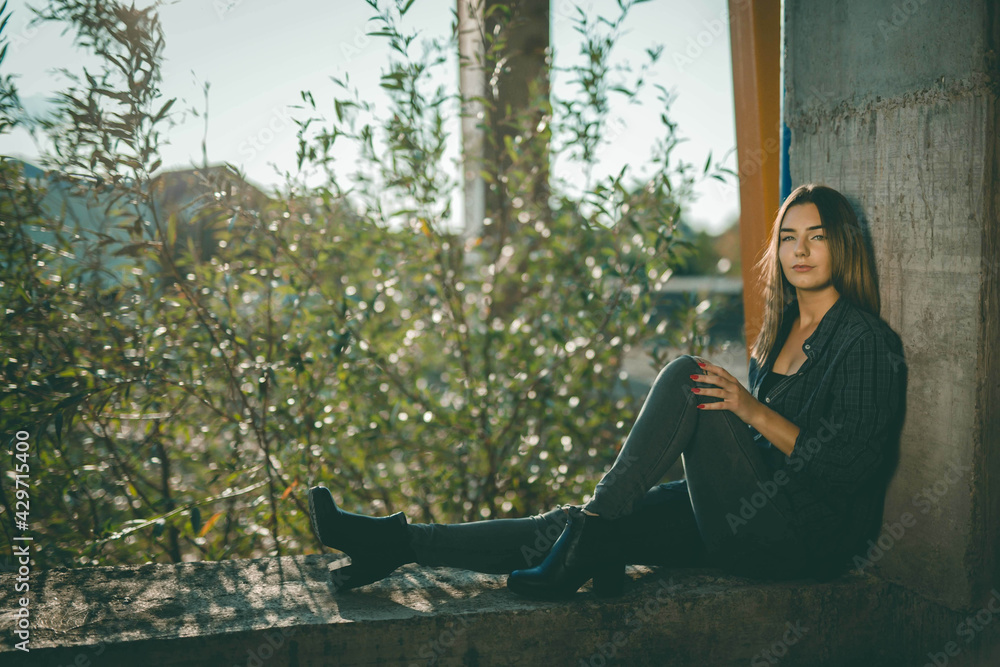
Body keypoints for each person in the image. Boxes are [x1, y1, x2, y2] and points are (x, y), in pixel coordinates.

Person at [308, 183, 908, 600]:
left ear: (842, 244)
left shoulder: (865, 342)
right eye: (788, 237)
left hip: (801, 542)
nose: (799, 251)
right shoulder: (781, 329)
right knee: (572, 527)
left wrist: (748, 409)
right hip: (753, 507)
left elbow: (847, 468)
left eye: (817, 237)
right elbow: (757, 450)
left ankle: (593, 533)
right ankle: (396, 543)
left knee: (684, 376)